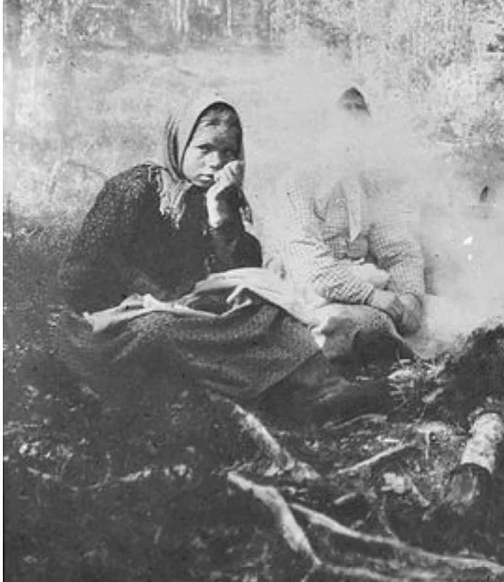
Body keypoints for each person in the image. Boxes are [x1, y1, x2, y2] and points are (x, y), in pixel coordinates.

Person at [57, 93, 387, 426]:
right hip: (112, 323)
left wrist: (221, 214)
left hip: (183, 309)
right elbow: (76, 278)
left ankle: (323, 388)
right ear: (179, 144)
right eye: (204, 148)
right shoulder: (134, 188)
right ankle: (288, 398)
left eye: (229, 151)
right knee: (161, 329)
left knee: (263, 310)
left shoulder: (213, 194)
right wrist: (148, 297)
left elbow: (241, 270)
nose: (217, 161)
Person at [275, 86, 426, 371]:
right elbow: (308, 264)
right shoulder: (296, 181)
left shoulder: (369, 183)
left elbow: (398, 250)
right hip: (312, 297)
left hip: (370, 292)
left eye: (361, 110)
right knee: (365, 325)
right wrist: (370, 296)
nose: (355, 120)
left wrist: (410, 298)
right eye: (346, 109)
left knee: (451, 318)